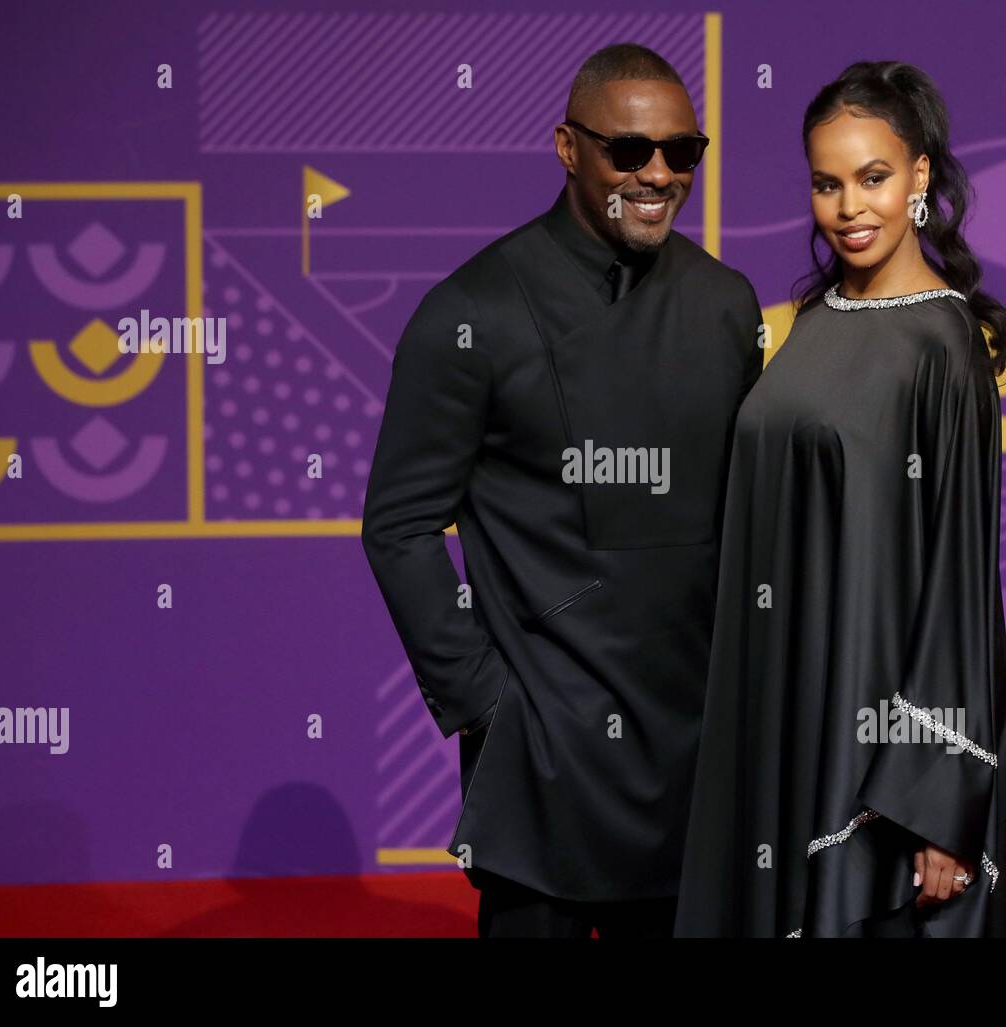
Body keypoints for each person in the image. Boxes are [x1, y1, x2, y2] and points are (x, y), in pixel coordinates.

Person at [361, 43, 763, 938]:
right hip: (540, 759)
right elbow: (398, 524)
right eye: (629, 152)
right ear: (567, 147)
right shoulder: (472, 312)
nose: (657, 174)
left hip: (693, 750)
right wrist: (484, 703)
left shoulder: (728, 305)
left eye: (682, 152)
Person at [673, 60, 1006, 938]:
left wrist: (940, 799)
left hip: (877, 738)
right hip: (787, 693)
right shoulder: (816, 319)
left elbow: (958, 586)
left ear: (920, 180)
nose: (850, 207)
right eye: (828, 183)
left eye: (874, 177)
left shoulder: (943, 343)